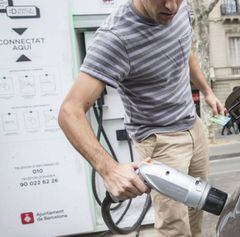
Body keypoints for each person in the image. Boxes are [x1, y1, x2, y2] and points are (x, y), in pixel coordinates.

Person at [58, 0, 224, 236]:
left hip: (193, 125)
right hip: (161, 142)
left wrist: (207, 92)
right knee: (174, 226)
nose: (172, 6)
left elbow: (186, 53)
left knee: (197, 208)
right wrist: (109, 170)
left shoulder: (182, 8)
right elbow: (69, 111)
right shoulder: (115, 38)